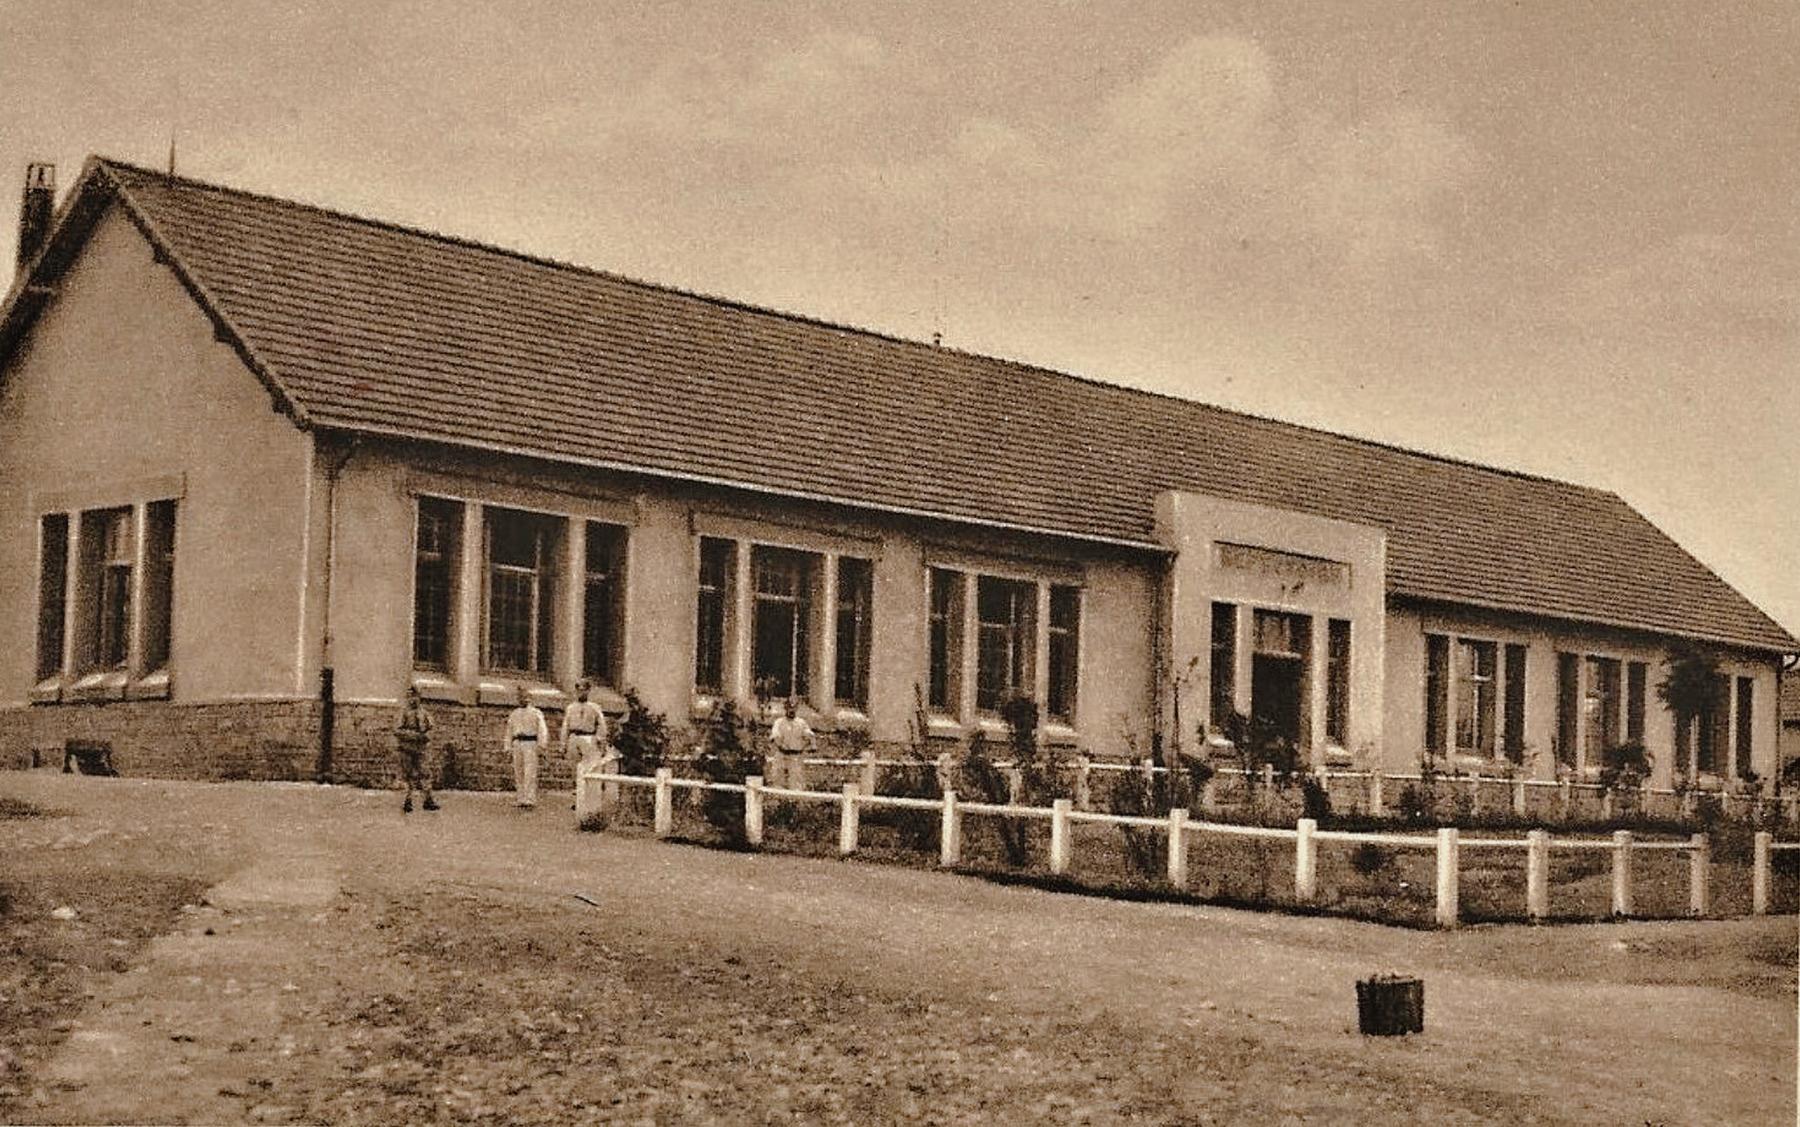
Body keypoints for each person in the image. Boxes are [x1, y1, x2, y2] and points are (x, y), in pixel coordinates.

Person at [561, 679, 611, 807]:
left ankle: (590, 798)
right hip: (574, 737)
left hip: (588, 737)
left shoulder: (594, 707)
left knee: (589, 767)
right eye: (578, 690)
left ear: (588, 691)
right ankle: (577, 799)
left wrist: (600, 740)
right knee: (575, 768)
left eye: (584, 690)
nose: (581, 693)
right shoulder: (571, 708)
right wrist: (563, 744)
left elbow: (601, 725)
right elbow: (565, 726)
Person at [395, 686, 439, 813]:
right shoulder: (403, 713)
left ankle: (428, 800)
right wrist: (413, 736)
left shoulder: (424, 714)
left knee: (425, 774)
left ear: (419, 698)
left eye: (415, 697)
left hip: (420, 750)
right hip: (406, 749)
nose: (412, 700)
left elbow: (431, 730)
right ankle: (407, 801)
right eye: (410, 697)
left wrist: (426, 736)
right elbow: (397, 730)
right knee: (408, 776)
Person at [505, 686, 549, 808]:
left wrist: (542, 746)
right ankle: (520, 797)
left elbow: (542, 730)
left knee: (530, 771)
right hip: (517, 742)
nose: (522, 699)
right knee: (518, 771)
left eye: (524, 697)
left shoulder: (536, 713)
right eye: (519, 697)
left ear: (529, 698)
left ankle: (529, 798)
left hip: (530, 742)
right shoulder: (514, 714)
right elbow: (509, 731)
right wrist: (508, 747)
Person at [767, 697, 817, 789]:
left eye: (793, 708)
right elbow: (775, 734)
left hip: (795, 756)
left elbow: (809, 734)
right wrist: (774, 739)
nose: (791, 710)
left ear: (796, 708)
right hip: (781, 754)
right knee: (777, 780)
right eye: (789, 707)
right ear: (785, 708)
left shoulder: (801, 723)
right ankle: (778, 800)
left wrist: (812, 744)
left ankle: (795, 800)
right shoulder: (779, 722)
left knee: (796, 782)